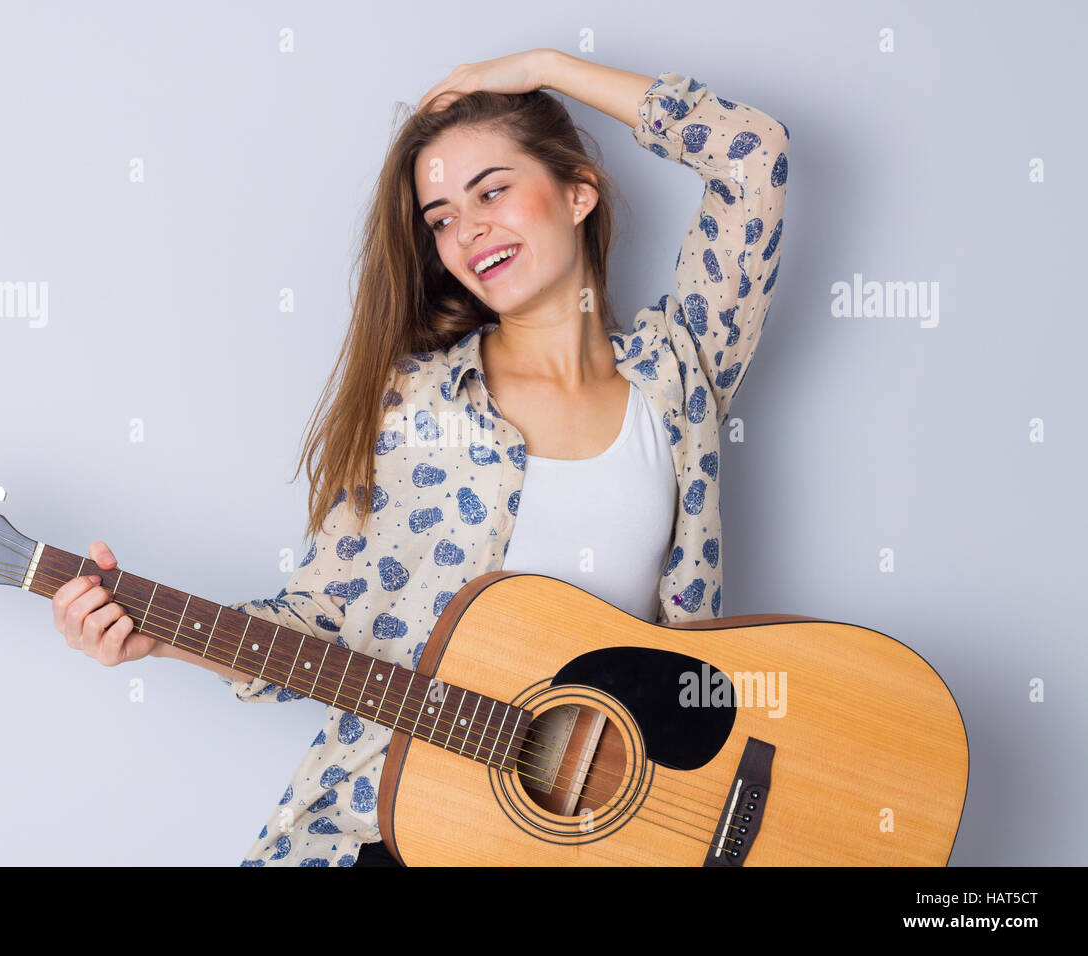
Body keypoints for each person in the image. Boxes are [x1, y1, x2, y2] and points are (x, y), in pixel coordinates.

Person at [50, 47, 788, 867]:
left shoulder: (679, 370)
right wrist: (156, 635)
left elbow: (753, 154)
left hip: (613, 842)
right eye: (440, 217)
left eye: (493, 190)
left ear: (578, 191)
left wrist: (543, 66)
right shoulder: (412, 401)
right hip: (402, 828)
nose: (468, 231)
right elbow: (322, 622)